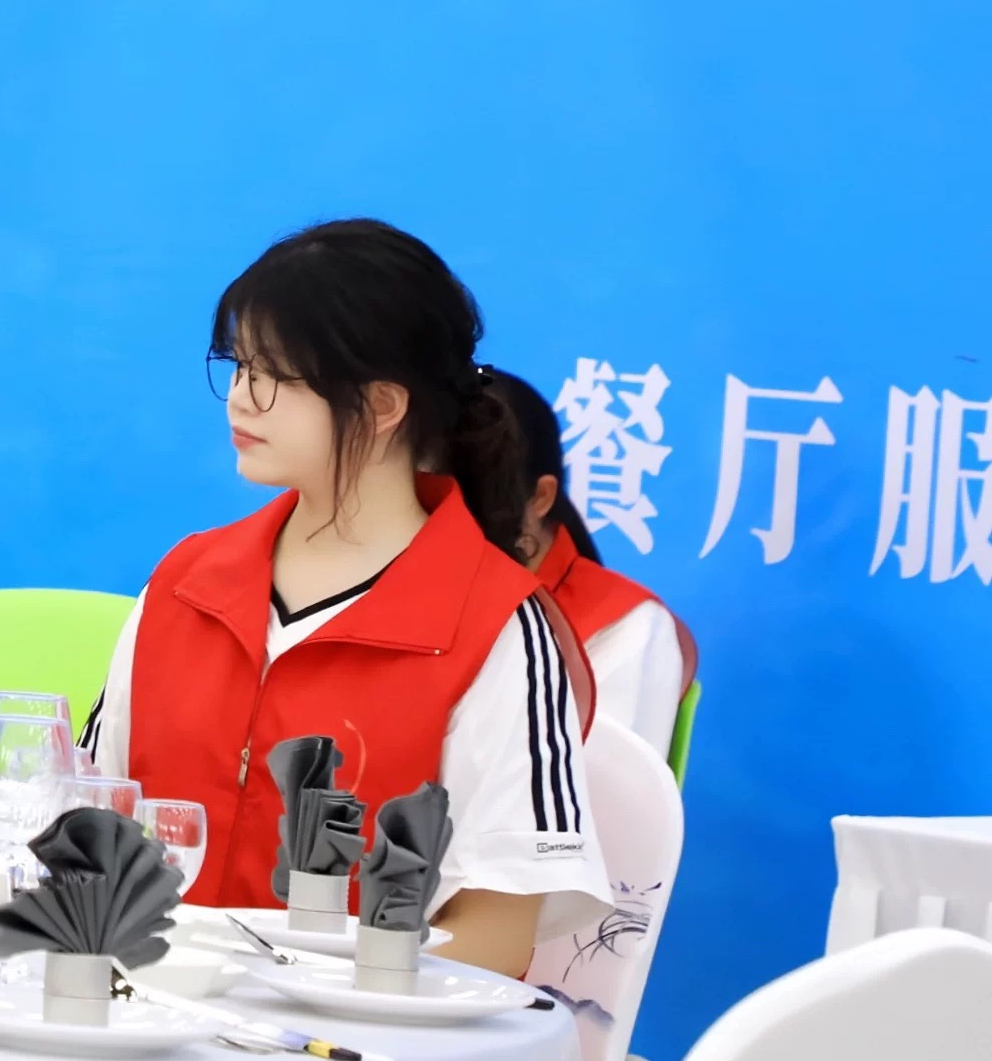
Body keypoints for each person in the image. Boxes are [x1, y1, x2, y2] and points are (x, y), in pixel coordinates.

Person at [78, 219, 605, 977]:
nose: (240, 398)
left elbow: (497, 934)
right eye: (237, 365)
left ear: (383, 404)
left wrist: (298, 995)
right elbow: (90, 814)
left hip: (354, 1038)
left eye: (274, 375)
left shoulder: (495, 625)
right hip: (144, 1015)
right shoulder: (185, 582)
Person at [488, 367, 698, 758]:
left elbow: (584, 791)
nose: (441, 518)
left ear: (541, 497)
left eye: (468, 496)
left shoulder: (625, 628)